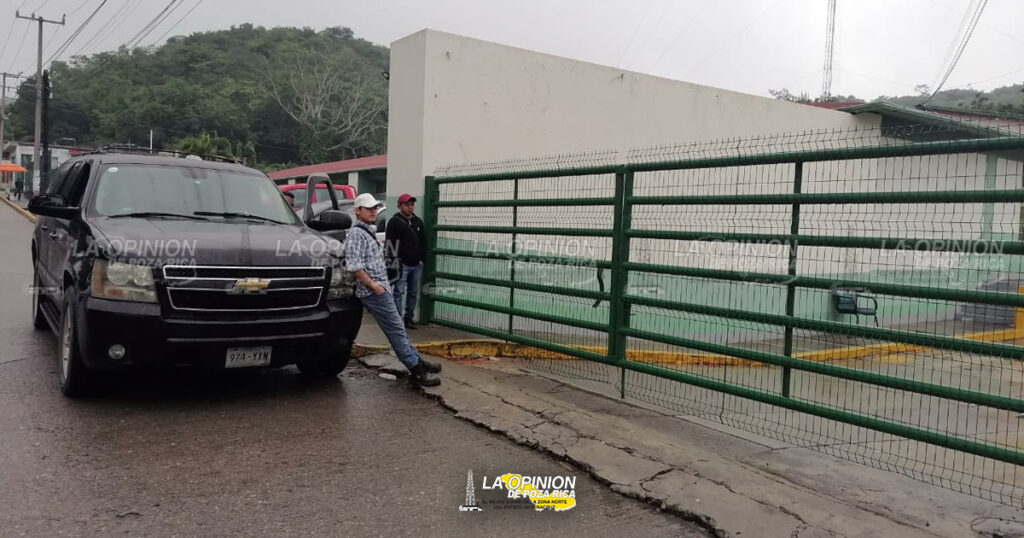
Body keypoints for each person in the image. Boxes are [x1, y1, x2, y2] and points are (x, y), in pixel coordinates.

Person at [345, 193, 441, 386]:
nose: (373, 211)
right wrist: (373, 285)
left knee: (399, 329)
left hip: (381, 288)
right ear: (357, 210)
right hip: (375, 292)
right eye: (368, 208)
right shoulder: (357, 234)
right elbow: (354, 265)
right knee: (396, 331)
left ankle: (418, 362)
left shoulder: (366, 231)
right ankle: (416, 370)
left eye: (374, 208)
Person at [385, 193, 426, 329]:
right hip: (402, 264)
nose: (410, 208)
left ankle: (409, 317)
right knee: (398, 292)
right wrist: (393, 261)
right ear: (400, 206)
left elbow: (424, 241)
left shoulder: (418, 222)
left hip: (416, 264)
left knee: (413, 292)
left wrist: (422, 259)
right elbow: (390, 243)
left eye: (412, 205)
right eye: (407, 205)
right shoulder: (394, 222)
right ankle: (398, 321)